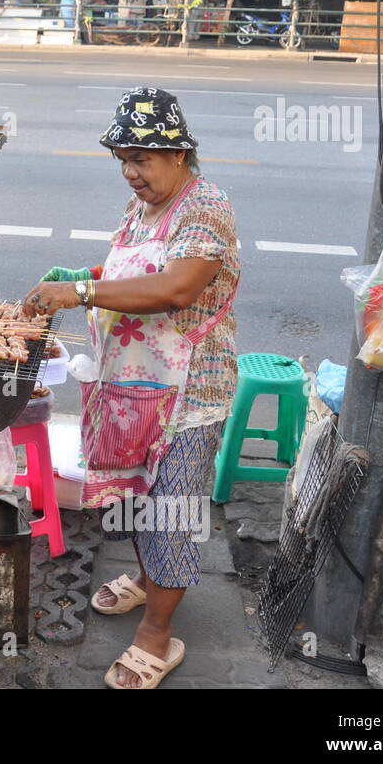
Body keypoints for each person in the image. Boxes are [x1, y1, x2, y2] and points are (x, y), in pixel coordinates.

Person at [22, 86, 240, 689]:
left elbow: (175, 288)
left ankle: (157, 635)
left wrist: (83, 295)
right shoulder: (140, 207)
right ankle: (148, 583)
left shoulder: (205, 208)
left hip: (187, 396)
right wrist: (84, 276)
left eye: (141, 158)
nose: (130, 172)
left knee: (171, 511)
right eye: (122, 158)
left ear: (178, 155)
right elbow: (127, 269)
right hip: (131, 388)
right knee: (136, 501)